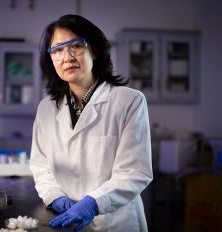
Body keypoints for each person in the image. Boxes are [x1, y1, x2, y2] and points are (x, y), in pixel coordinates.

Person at [30, 14, 153, 232]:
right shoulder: (46, 108)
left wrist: (93, 203)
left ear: (94, 50)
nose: (67, 57)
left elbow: (134, 172)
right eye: (57, 50)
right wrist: (56, 198)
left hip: (116, 222)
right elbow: (41, 167)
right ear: (50, 59)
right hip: (65, 219)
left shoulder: (129, 101)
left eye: (75, 45)